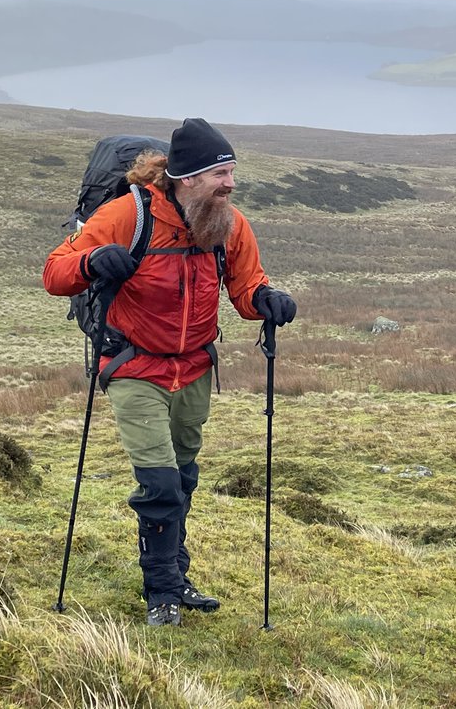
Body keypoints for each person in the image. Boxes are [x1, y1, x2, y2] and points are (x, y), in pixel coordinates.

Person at [43, 117, 297, 627]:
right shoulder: (127, 215)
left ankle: (176, 575)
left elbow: (246, 287)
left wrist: (267, 300)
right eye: (220, 173)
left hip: (195, 368)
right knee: (159, 483)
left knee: (181, 479)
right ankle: (161, 592)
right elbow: (55, 273)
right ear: (187, 177)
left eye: (231, 172)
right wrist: (93, 261)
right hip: (134, 365)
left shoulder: (228, 223)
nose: (230, 183)